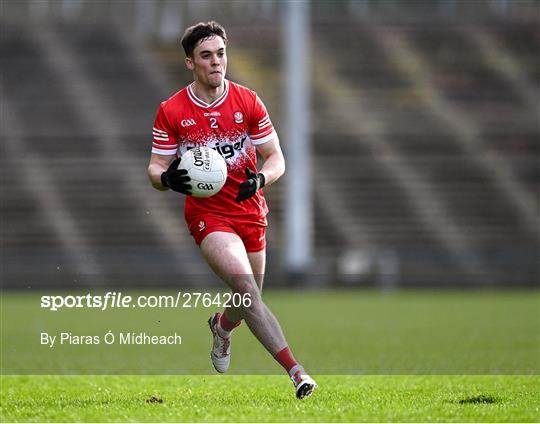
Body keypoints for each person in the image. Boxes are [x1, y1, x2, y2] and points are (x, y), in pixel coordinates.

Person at [147, 21, 317, 399]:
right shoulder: (172, 110)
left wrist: (261, 179)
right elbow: (155, 169)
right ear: (190, 62)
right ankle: (296, 372)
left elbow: (276, 158)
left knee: (248, 297)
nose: (216, 62)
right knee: (245, 288)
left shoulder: (247, 101)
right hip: (209, 216)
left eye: (220, 53)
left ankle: (222, 327)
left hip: (250, 210)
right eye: (206, 56)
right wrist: (168, 179)